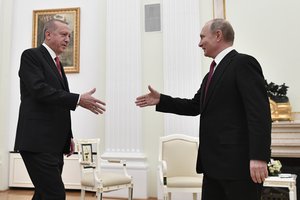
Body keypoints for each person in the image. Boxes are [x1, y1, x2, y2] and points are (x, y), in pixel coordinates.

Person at [136, 18, 271, 200]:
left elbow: (259, 114)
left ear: (218, 35)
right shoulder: (211, 73)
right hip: (213, 167)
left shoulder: (243, 63)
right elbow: (194, 106)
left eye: (202, 37)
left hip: (238, 167)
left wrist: (259, 157)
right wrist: (161, 100)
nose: (199, 43)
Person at [14, 19, 106, 200]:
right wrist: (78, 99)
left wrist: (67, 137)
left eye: (69, 36)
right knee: (55, 194)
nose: (68, 39)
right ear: (48, 34)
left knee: (44, 194)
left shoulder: (57, 63)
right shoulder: (31, 56)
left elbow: (58, 106)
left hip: (54, 143)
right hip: (37, 142)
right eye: (64, 34)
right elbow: (39, 90)